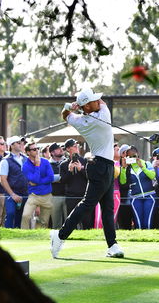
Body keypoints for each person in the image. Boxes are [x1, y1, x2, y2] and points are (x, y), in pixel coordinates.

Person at [50, 88, 123, 259]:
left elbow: (65, 115)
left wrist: (71, 106)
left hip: (104, 166)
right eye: (94, 100)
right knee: (88, 204)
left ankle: (112, 244)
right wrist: (79, 105)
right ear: (88, 106)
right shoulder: (104, 115)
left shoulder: (80, 121)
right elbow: (103, 104)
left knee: (107, 208)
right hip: (100, 167)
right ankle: (59, 236)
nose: (99, 101)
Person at [118, 146, 156, 229]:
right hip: (135, 198)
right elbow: (123, 182)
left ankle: (148, 239)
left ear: (138, 154)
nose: (132, 159)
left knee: (148, 222)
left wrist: (142, 167)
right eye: (129, 157)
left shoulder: (146, 163)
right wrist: (123, 168)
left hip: (149, 196)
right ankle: (140, 239)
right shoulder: (127, 168)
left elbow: (152, 176)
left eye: (134, 156)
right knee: (138, 222)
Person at [60, 138, 93, 229]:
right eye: (74, 146)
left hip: (84, 197)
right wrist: (70, 171)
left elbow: (90, 178)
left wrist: (81, 169)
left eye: (77, 146)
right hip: (71, 197)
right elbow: (63, 181)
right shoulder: (63, 164)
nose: (77, 147)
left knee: (87, 222)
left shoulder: (85, 161)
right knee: (71, 223)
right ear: (68, 149)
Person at [21, 142, 54, 229]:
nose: (37, 151)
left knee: (44, 222)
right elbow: (34, 180)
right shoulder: (25, 166)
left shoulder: (46, 162)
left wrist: (38, 182)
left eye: (37, 148)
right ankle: (23, 235)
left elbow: (51, 178)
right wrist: (37, 165)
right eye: (34, 149)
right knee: (25, 216)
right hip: (33, 195)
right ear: (28, 152)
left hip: (47, 195)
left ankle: (40, 238)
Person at [0, 136, 28, 229]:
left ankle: (19, 238)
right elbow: (2, 179)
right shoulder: (5, 160)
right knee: (11, 214)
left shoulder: (26, 159)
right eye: (18, 142)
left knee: (21, 217)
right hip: (11, 194)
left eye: (21, 143)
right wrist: (12, 194)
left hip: (25, 193)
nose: (21, 144)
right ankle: (8, 235)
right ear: (11, 145)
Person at [48, 142, 67, 229]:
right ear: (52, 153)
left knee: (70, 222)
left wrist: (57, 178)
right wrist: (62, 177)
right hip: (54, 197)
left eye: (61, 148)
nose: (61, 150)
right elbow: (48, 178)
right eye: (57, 149)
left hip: (68, 196)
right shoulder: (48, 164)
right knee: (56, 224)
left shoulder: (67, 162)